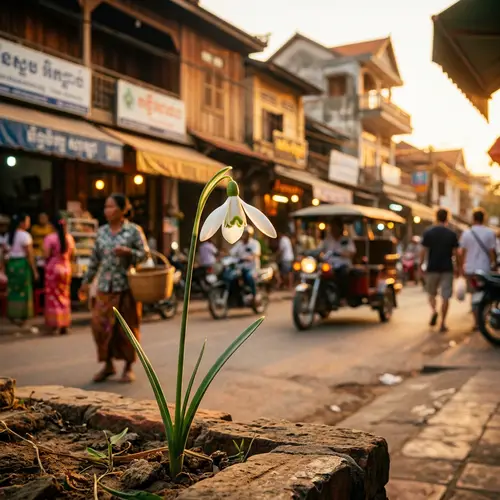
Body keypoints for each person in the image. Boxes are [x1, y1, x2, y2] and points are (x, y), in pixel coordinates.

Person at [79, 194, 148, 384]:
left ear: (122, 209)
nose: (106, 211)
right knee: (100, 326)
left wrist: (129, 253)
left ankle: (128, 367)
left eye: (111, 207)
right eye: (105, 207)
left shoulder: (133, 231)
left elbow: (145, 255)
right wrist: (86, 282)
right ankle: (108, 364)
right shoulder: (101, 232)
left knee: (127, 329)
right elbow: (94, 260)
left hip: (126, 287)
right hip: (104, 288)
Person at [421, 208, 460, 333]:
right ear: (447, 218)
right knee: (446, 297)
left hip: (432, 268)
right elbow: (456, 253)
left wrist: (420, 266)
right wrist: (458, 267)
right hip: (447, 269)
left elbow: (423, 251)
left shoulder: (429, 232)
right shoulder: (451, 233)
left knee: (431, 294)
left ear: (436, 217)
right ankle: (442, 323)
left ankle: (434, 311)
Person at [460, 208, 497, 330]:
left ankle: (477, 322)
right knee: (486, 294)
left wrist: (461, 267)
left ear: (473, 218)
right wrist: (493, 265)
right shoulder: (489, 233)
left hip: (470, 269)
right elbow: (492, 252)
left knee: (474, 295)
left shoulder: (467, 233)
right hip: (485, 269)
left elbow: (463, 253)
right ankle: (483, 318)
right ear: (484, 218)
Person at [43, 214, 75, 335]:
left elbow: (46, 255)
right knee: (65, 296)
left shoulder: (50, 238)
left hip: (53, 269)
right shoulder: (69, 238)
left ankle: (55, 324)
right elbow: (72, 255)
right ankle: (65, 324)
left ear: (52, 225)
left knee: (53, 298)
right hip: (66, 269)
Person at [4, 213, 38, 325]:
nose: (28, 223)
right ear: (22, 223)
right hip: (22, 265)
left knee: (12, 290)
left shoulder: (8, 235)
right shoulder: (25, 236)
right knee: (24, 291)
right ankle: (23, 315)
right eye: (27, 221)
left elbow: (5, 253)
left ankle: (12, 314)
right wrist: (34, 270)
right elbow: (30, 255)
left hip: (11, 265)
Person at [320, 221, 356, 300]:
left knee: (342, 275)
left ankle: (342, 297)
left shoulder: (346, 240)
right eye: (332, 227)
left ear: (340, 229)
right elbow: (319, 250)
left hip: (342, 264)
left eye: (335, 228)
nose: (333, 230)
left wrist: (343, 254)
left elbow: (352, 252)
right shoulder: (327, 240)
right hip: (329, 265)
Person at [230, 226, 261, 303]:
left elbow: (256, 254)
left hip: (252, 268)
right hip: (240, 268)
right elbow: (232, 252)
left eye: (246, 234)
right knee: (232, 277)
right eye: (243, 234)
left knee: (249, 277)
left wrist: (250, 257)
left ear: (250, 235)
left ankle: (254, 295)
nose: (244, 236)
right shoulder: (239, 244)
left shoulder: (254, 243)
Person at [31, 212, 54, 290]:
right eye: (41, 218)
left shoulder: (51, 228)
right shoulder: (34, 228)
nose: (42, 219)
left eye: (44, 217)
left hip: (48, 258)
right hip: (37, 256)